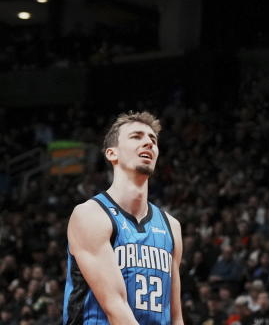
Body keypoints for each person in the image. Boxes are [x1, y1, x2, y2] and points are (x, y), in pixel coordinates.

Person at [64, 112, 183, 325]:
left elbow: (175, 317)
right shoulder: (90, 215)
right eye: (137, 136)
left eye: (152, 139)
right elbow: (115, 306)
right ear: (112, 154)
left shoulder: (171, 227)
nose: (148, 142)